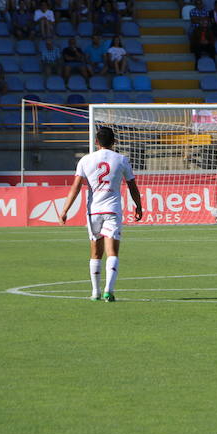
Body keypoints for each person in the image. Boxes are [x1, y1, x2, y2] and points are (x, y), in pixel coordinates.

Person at [59, 126, 144, 302]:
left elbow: (75, 187)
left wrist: (65, 210)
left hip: (93, 212)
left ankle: (95, 292)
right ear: (114, 141)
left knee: (95, 253)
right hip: (112, 210)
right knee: (112, 252)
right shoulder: (121, 159)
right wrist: (139, 206)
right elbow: (132, 186)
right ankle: (109, 291)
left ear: (96, 142)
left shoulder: (85, 160)